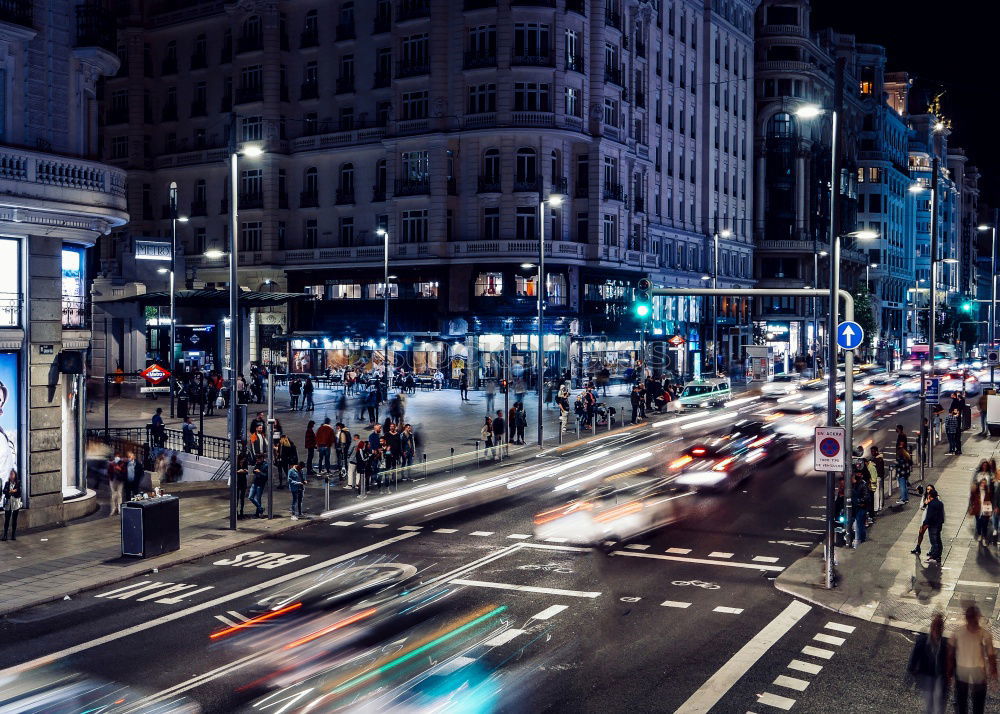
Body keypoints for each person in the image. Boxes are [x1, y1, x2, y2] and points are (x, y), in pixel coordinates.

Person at [948, 604, 998, 714]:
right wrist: (993, 673)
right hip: (977, 671)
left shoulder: (958, 633)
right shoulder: (984, 634)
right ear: (978, 617)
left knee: (963, 703)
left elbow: (950, 654)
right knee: (976, 704)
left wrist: (949, 674)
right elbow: (991, 656)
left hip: (964, 670)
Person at [908, 612, 949, 714]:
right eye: (935, 629)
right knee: (931, 702)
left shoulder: (945, 644)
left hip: (940, 677)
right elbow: (915, 656)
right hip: (927, 676)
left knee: (940, 702)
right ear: (931, 629)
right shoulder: (922, 641)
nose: (936, 632)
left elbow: (950, 661)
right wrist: (912, 670)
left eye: (939, 629)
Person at [912, 485, 939, 556]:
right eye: (927, 489)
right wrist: (925, 503)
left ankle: (933, 549)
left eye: (930, 489)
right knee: (921, 532)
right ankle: (918, 547)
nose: (929, 491)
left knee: (932, 535)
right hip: (926, 516)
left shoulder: (937, 497)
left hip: (933, 518)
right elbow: (921, 507)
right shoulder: (924, 497)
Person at [969, 478, 993, 546]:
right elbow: (972, 499)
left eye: (984, 483)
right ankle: (979, 534)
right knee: (978, 523)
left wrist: (991, 510)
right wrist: (971, 507)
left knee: (985, 525)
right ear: (980, 483)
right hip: (978, 510)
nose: (983, 484)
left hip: (986, 510)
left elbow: (991, 500)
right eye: (982, 482)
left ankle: (984, 538)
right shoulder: (976, 491)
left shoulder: (988, 491)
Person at [925, 487, 945, 563]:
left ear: (930, 496)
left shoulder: (931, 504)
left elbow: (929, 516)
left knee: (934, 541)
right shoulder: (940, 503)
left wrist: (925, 523)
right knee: (938, 540)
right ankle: (938, 556)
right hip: (939, 524)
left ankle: (934, 556)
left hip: (933, 525)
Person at [2, 469, 22, 541]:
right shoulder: (7, 483)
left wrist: (14, 491)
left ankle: (13, 535)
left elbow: (19, 492)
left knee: (14, 520)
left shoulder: (18, 483)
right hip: (8, 503)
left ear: (15, 475)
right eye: (10, 474)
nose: (11, 475)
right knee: (7, 519)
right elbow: (4, 491)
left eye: (12, 474)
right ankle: (5, 535)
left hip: (15, 503)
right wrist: (9, 491)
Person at [851, 468, 870, 545]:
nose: (858, 475)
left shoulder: (863, 484)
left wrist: (859, 501)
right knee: (859, 523)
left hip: (861, 507)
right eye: (857, 473)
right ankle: (861, 538)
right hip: (857, 506)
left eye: (859, 474)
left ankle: (859, 539)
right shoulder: (856, 483)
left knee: (859, 523)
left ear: (862, 475)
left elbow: (866, 496)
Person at [896, 424, 913, 505]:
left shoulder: (901, 436)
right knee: (905, 484)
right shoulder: (907, 457)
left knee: (902, 485)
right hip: (906, 473)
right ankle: (905, 498)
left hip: (902, 473)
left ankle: (903, 498)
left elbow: (901, 444)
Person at [236, 454, 248, 518]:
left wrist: (243, 471)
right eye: (242, 459)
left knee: (242, 497)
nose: (243, 460)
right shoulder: (236, 463)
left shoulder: (245, 463)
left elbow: (247, 471)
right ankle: (236, 511)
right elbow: (233, 472)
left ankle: (241, 511)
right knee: (236, 497)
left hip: (243, 481)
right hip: (237, 481)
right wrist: (238, 471)